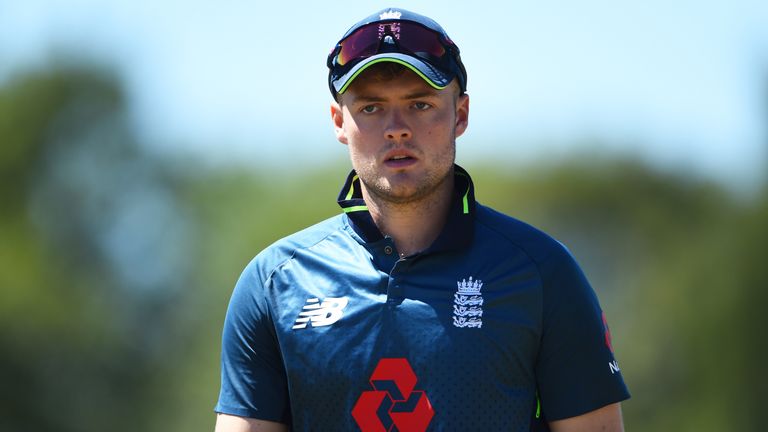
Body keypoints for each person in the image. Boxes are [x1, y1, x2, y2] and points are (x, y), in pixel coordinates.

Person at [214, 7, 630, 432]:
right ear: (340, 122)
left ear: (460, 115)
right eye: (372, 107)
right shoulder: (274, 281)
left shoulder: (541, 272)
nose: (397, 128)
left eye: (420, 103)